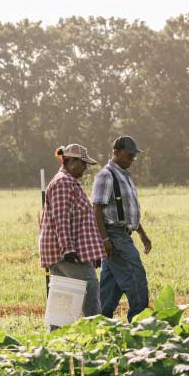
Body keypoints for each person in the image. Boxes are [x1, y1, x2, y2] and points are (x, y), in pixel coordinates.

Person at [39, 143, 107, 322]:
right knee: (90, 289)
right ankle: (96, 333)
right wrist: (68, 249)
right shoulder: (63, 182)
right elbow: (61, 218)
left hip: (72, 251)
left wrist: (94, 253)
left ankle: (56, 341)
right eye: (83, 163)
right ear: (72, 161)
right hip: (68, 253)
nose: (85, 168)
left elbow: (81, 221)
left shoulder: (69, 182)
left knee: (63, 299)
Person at [92, 135, 152, 322]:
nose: (132, 159)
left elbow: (127, 211)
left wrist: (142, 233)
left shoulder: (125, 176)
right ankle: (139, 323)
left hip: (124, 234)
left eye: (134, 156)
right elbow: (97, 210)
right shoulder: (106, 175)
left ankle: (102, 324)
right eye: (129, 155)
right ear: (116, 153)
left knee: (111, 286)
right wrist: (104, 240)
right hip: (114, 236)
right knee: (136, 277)